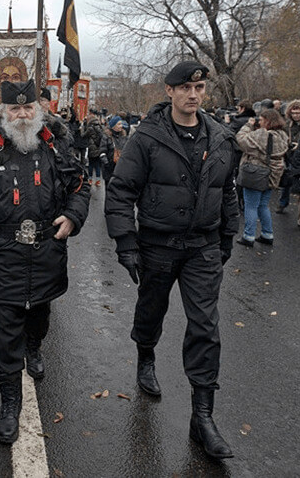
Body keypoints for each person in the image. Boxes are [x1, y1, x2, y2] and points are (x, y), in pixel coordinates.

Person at [104, 61, 238, 460]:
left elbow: (226, 191)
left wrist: (227, 236)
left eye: (199, 87)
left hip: (202, 246)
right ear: (169, 91)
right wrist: (126, 242)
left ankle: (202, 416)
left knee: (205, 325)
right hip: (158, 245)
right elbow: (121, 190)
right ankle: (146, 356)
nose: (193, 94)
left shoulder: (221, 137)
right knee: (151, 310)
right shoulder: (146, 137)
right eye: (185, 88)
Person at [0, 79, 90, 445]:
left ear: (38, 109)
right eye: (15, 109)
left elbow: (80, 185)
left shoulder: (55, 146)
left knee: (39, 315)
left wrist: (73, 216)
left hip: (47, 250)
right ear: (4, 112)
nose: (23, 114)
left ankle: (35, 346)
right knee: (5, 328)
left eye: (29, 108)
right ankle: (10, 401)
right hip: (2, 253)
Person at [235, 109, 288, 246]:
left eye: (262, 120)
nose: (259, 122)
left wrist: (248, 125)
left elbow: (240, 140)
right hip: (272, 174)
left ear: (268, 121)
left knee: (251, 206)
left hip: (256, 173)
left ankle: (248, 236)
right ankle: (267, 234)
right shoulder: (282, 135)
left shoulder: (263, 134)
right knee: (263, 206)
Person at [277, 100, 300, 214]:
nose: (296, 115)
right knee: (286, 180)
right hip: (289, 155)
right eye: (293, 113)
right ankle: (283, 203)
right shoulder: (287, 125)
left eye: (298, 113)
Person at [83, 114, 111, 186]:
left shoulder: (90, 128)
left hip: (92, 148)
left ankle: (90, 179)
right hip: (99, 147)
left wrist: (83, 126)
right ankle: (98, 181)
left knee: (91, 165)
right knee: (97, 165)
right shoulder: (100, 127)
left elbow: (83, 135)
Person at [103, 115, 129, 183]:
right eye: (119, 124)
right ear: (113, 126)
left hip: (121, 168)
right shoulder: (107, 137)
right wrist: (107, 164)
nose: (121, 126)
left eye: (121, 124)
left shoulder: (124, 136)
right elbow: (102, 152)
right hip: (110, 169)